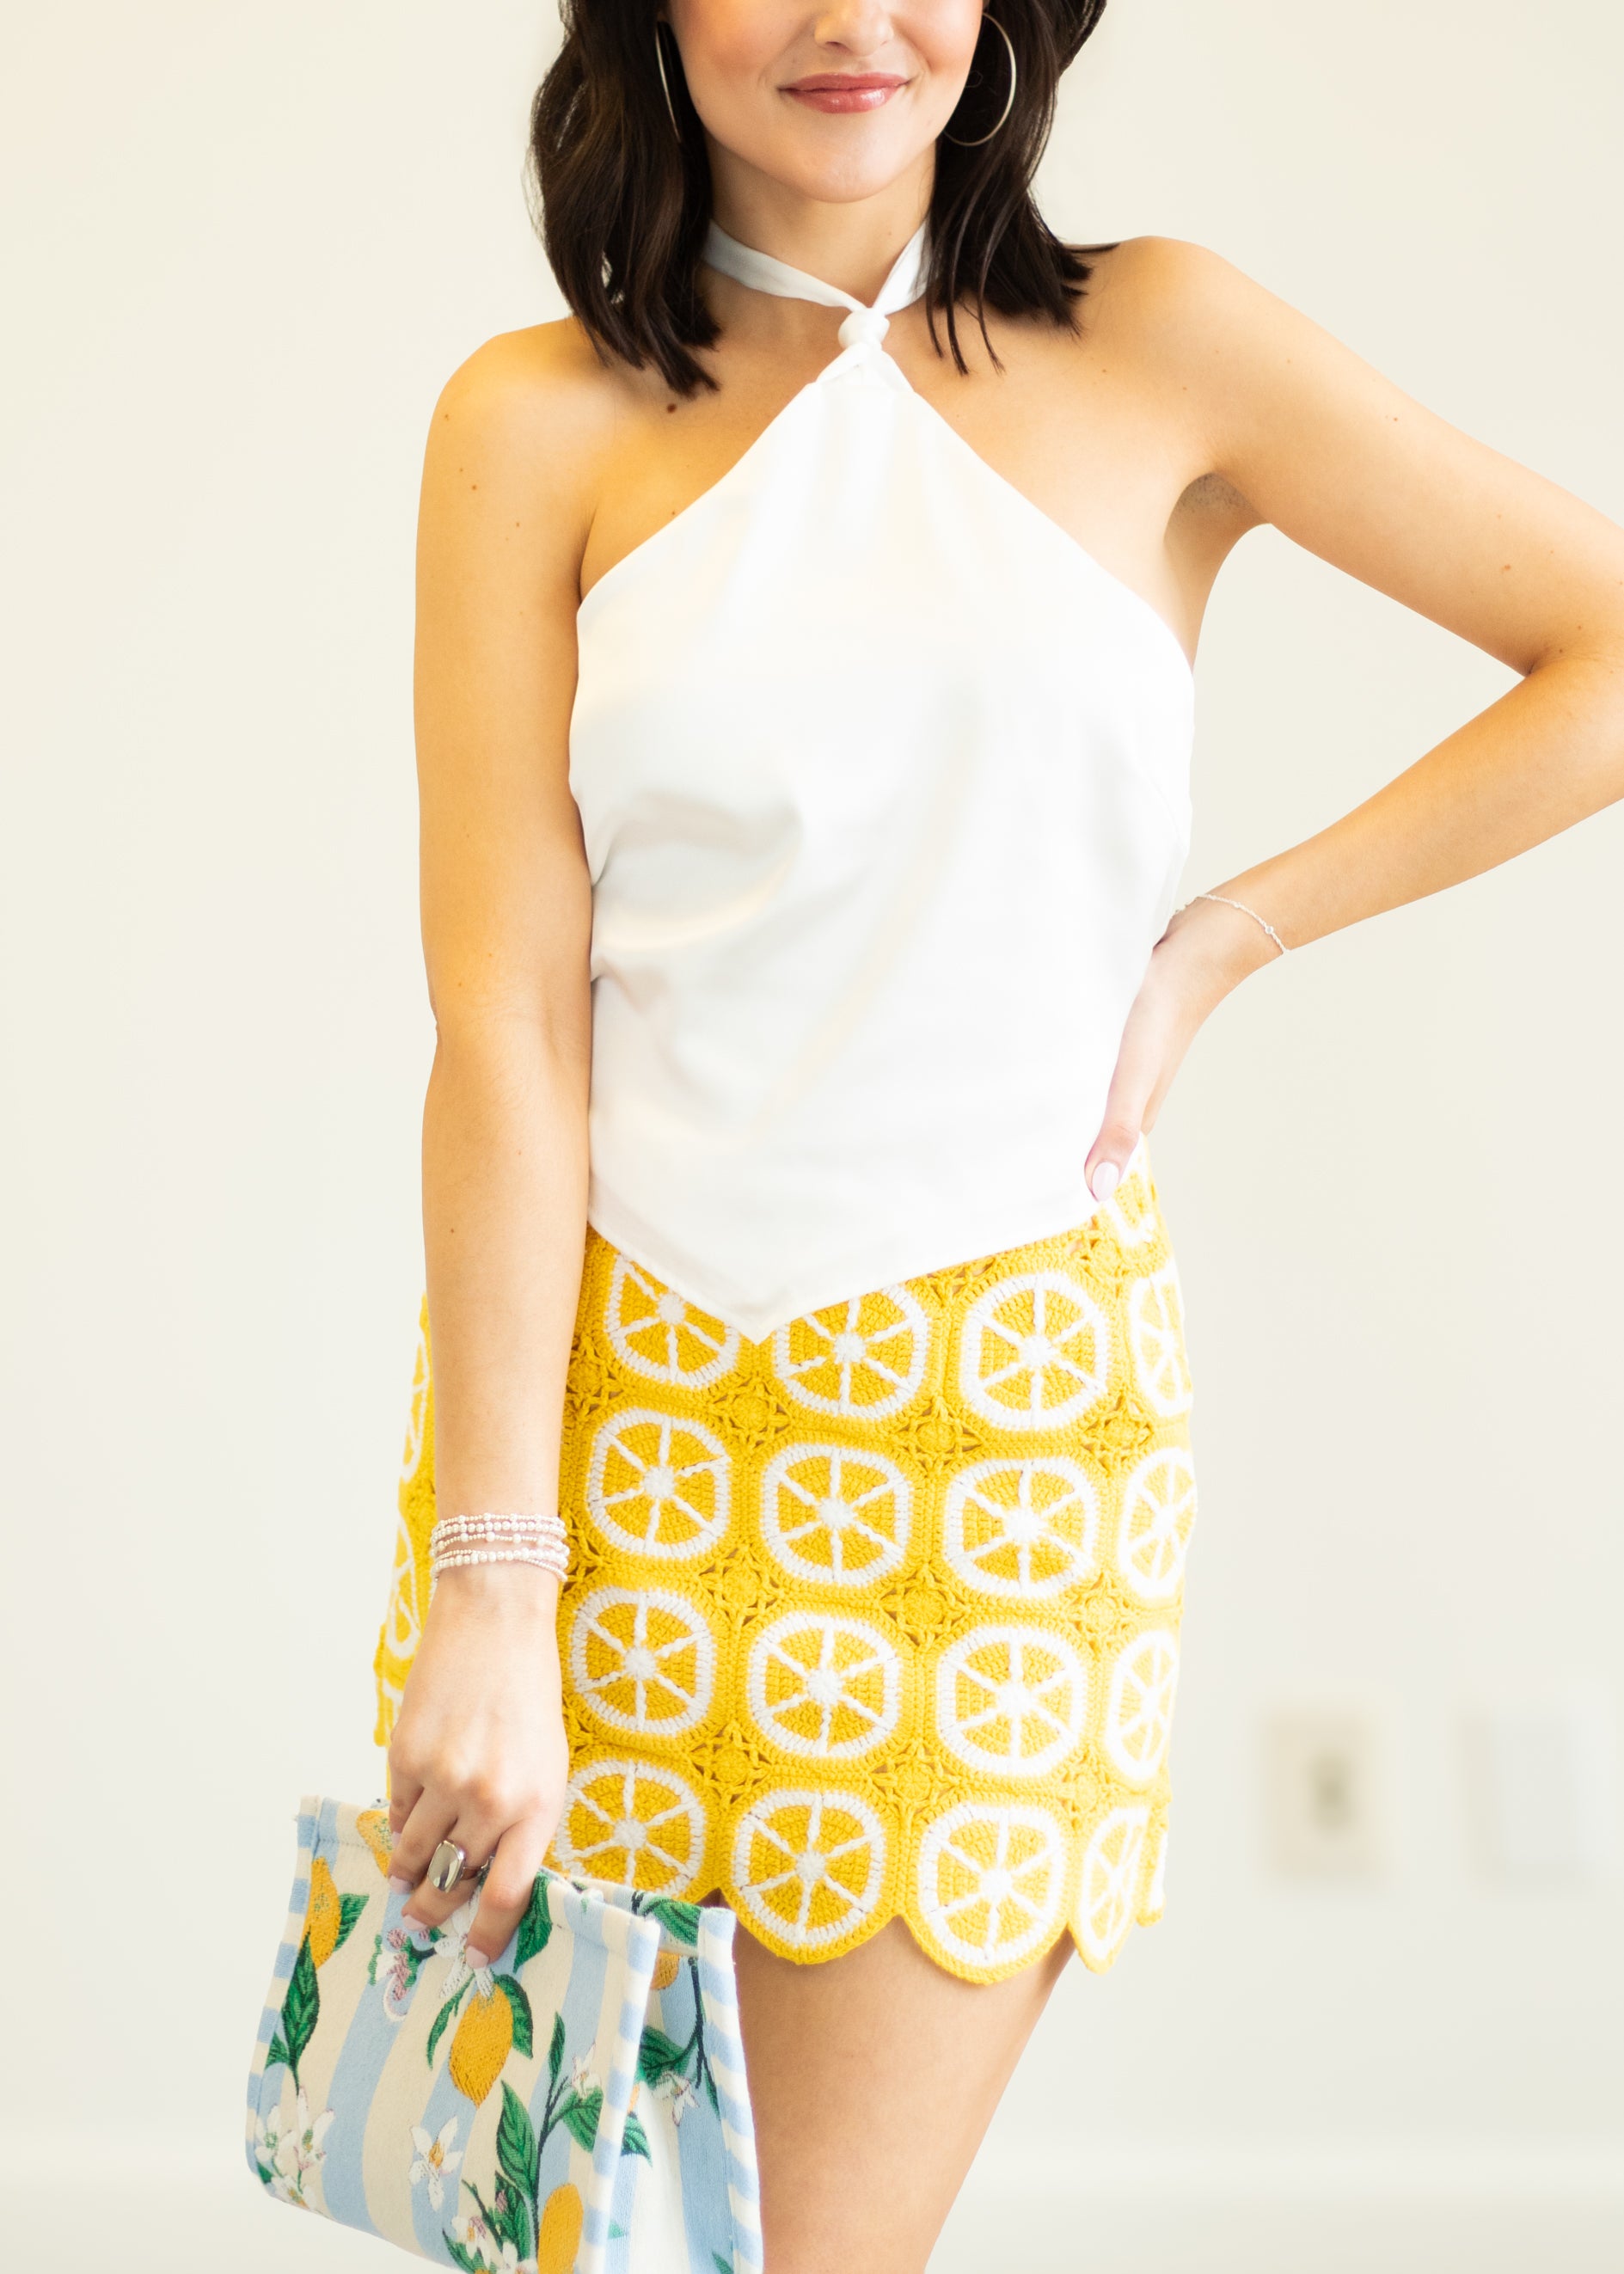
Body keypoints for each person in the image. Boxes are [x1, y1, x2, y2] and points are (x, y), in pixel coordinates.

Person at [371, 1, 1624, 2265]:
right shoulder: (530, 424)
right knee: (556, 2248)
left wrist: (1226, 933)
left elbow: (1605, 641)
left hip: (991, 1453)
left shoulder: (1159, 340)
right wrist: (488, 1584)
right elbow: (503, 1035)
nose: (857, 18)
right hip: (601, 1459)